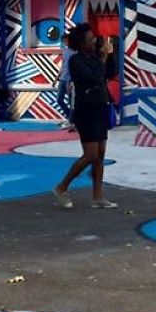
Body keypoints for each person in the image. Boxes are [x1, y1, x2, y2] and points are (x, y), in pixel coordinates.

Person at [52, 23, 117, 209]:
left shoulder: (96, 57)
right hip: (86, 110)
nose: (94, 42)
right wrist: (103, 58)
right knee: (91, 154)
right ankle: (62, 187)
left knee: (100, 155)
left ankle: (98, 196)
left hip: (100, 108)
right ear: (81, 44)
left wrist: (109, 54)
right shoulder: (76, 61)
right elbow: (94, 78)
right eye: (90, 40)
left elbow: (110, 73)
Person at [55, 32, 75, 130]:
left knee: (71, 101)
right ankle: (69, 117)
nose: (65, 42)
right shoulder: (65, 51)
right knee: (59, 99)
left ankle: (71, 121)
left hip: (70, 80)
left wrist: (74, 81)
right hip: (62, 79)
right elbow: (63, 66)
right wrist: (56, 78)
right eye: (64, 41)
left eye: (67, 40)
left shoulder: (75, 52)